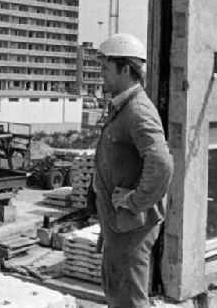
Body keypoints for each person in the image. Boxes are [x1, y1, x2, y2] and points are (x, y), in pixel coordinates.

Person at [92, 33, 173, 307]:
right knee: (117, 294)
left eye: (105, 68)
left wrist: (134, 202)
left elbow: (161, 163)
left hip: (131, 229)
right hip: (119, 226)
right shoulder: (122, 107)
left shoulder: (138, 111)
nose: (101, 75)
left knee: (129, 300)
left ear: (125, 69)